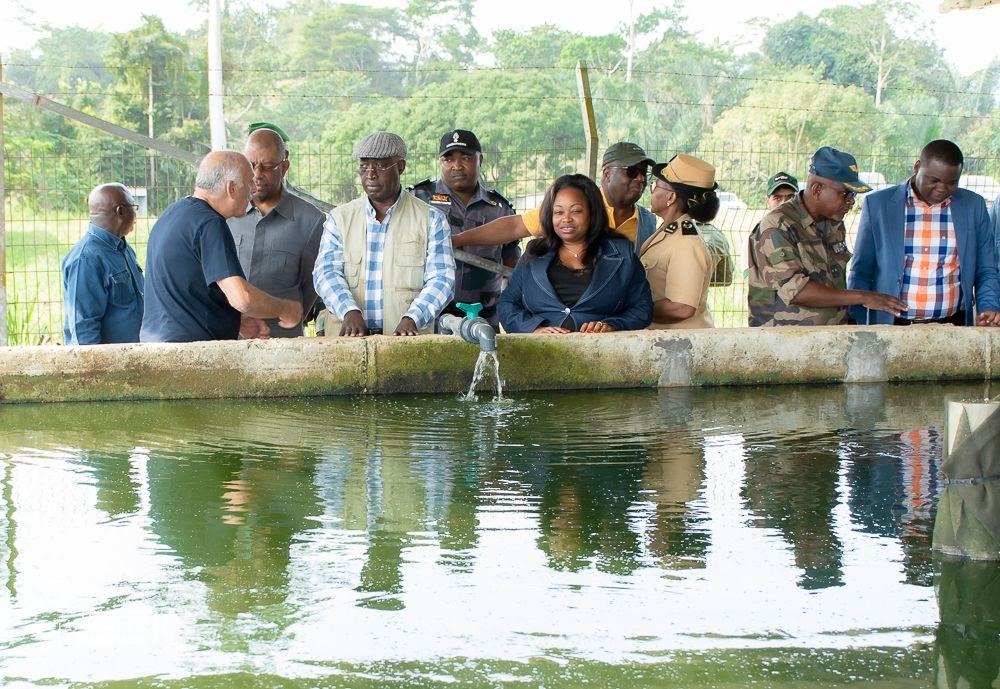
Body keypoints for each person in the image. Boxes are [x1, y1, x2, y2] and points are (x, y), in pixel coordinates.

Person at [140, 151, 302, 342]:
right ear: (231, 188)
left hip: (157, 342)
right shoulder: (210, 223)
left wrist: (239, 320)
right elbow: (242, 298)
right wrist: (285, 309)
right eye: (249, 183)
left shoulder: (174, 213)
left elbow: (187, 289)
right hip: (189, 352)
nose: (253, 190)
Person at [312, 131, 455, 336]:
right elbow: (325, 273)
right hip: (348, 342)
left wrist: (413, 318)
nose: (370, 174)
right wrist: (349, 312)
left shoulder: (431, 220)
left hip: (406, 342)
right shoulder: (339, 219)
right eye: (364, 166)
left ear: (400, 167)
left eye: (380, 166)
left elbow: (442, 279)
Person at [748, 146, 907, 326]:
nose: (851, 201)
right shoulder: (777, 226)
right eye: (845, 193)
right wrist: (863, 297)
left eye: (853, 195)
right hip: (786, 342)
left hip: (828, 338)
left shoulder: (833, 223)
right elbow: (797, 291)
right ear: (817, 189)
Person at [849, 140, 1000, 326]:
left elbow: (986, 269)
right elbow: (861, 270)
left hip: (953, 326)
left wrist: (989, 306)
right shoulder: (879, 205)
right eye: (934, 180)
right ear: (917, 167)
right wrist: (856, 318)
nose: (942, 189)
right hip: (891, 325)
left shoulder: (973, 206)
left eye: (952, 183)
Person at [497, 174, 652, 334]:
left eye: (576, 211)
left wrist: (612, 325)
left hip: (603, 352)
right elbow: (507, 304)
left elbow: (642, 308)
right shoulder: (534, 253)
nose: (566, 219)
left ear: (592, 212)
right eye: (558, 212)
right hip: (541, 352)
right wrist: (534, 328)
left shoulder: (622, 253)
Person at [452, 141, 658, 253]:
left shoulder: (648, 223)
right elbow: (515, 227)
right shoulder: (575, 205)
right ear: (606, 174)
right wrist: (457, 240)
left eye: (644, 173)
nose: (640, 179)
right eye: (631, 172)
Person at [407, 129, 518, 328]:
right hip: (429, 315)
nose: (457, 166)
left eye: (466, 157)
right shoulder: (418, 199)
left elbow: (511, 262)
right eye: (448, 159)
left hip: (483, 318)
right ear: (440, 161)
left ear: (480, 159)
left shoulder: (500, 209)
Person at [227, 125, 324, 337]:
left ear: (285, 166)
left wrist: (286, 316)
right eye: (251, 165)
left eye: (268, 166)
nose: (257, 174)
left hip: (281, 343)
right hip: (228, 339)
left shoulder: (310, 222)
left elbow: (310, 289)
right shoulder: (225, 215)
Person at [639, 154, 719, 329]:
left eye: (655, 186)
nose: (652, 192)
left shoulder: (686, 244)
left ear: (671, 198)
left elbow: (681, 307)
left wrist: (634, 311)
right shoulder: (669, 233)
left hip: (682, 347)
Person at [61, 183, 144, 344]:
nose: (136, 215)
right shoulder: (85, 260)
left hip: (133, 359)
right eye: (134, 207)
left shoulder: (123, 249)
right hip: (111, 365)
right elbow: (83, 330)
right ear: (121, 211)